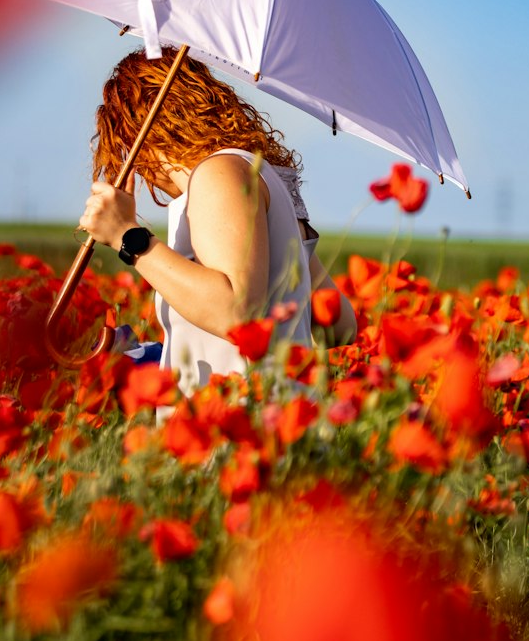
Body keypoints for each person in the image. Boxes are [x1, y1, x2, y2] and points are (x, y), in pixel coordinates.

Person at [79, 47, 357, 393]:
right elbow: (340, 324)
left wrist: (128, 237)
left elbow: (235, 311)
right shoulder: (248, 175)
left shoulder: (218, 173)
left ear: (138, 137)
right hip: (265, 419)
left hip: (239, 429)